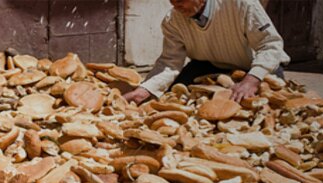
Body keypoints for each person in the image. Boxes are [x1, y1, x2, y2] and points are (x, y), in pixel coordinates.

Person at [123, 0, 290, 105]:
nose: (176, 5)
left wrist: (251, 80)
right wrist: (145, 89)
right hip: (209, 64)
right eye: (172, 0)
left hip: (254, 66)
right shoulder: (172, 20)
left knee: (261, 104)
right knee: (176, 96)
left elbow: (270, 44)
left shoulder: (242, 4)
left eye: (181, 0)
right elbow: (169, 62)